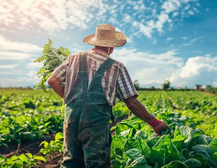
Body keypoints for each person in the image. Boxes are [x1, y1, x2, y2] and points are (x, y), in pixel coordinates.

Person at [47, 24, 170, 168]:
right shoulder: (116, 67)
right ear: (111, 48)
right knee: (97, 163)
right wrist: (154, 122)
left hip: (71, 120)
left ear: (95, 42)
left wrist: (66, 98)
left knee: (71, 162)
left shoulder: (74, 58)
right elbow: (132, 103)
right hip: (95, 125)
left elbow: (52, 80)